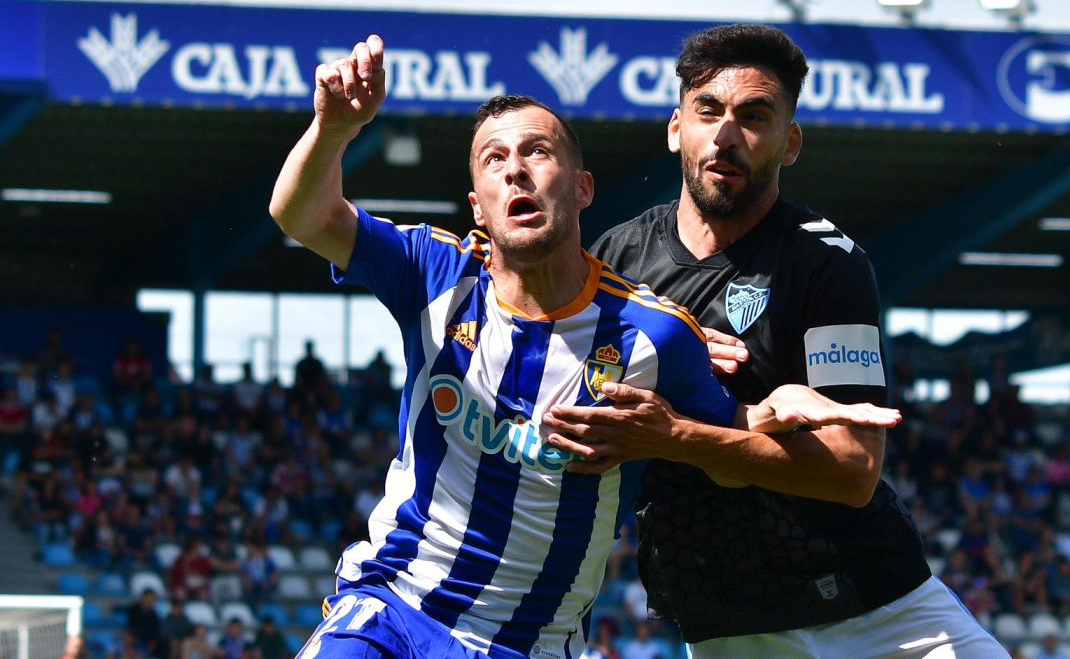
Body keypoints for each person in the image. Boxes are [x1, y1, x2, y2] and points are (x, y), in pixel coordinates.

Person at [269, 34, 898, 659]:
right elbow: (301, 216)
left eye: (538, 152)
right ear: (478, 209)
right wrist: (333, 128)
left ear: (582, 189)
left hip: (531, 643)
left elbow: (725, 440)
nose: (515, 167)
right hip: (394, 608)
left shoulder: (657, 334)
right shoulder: (434, 275)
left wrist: (773, 405)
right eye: (494, 159)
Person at [544, 24, 1008, 657]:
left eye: (754, 117)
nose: (727, 135)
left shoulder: (827, 262)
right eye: (708, 111)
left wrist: (676, 434)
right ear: (677, 126)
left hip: (883, 613)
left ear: (789, 143)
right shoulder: (616, 262)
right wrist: (669, 352)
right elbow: (566, 417)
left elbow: (851, 470)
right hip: (727, 623)